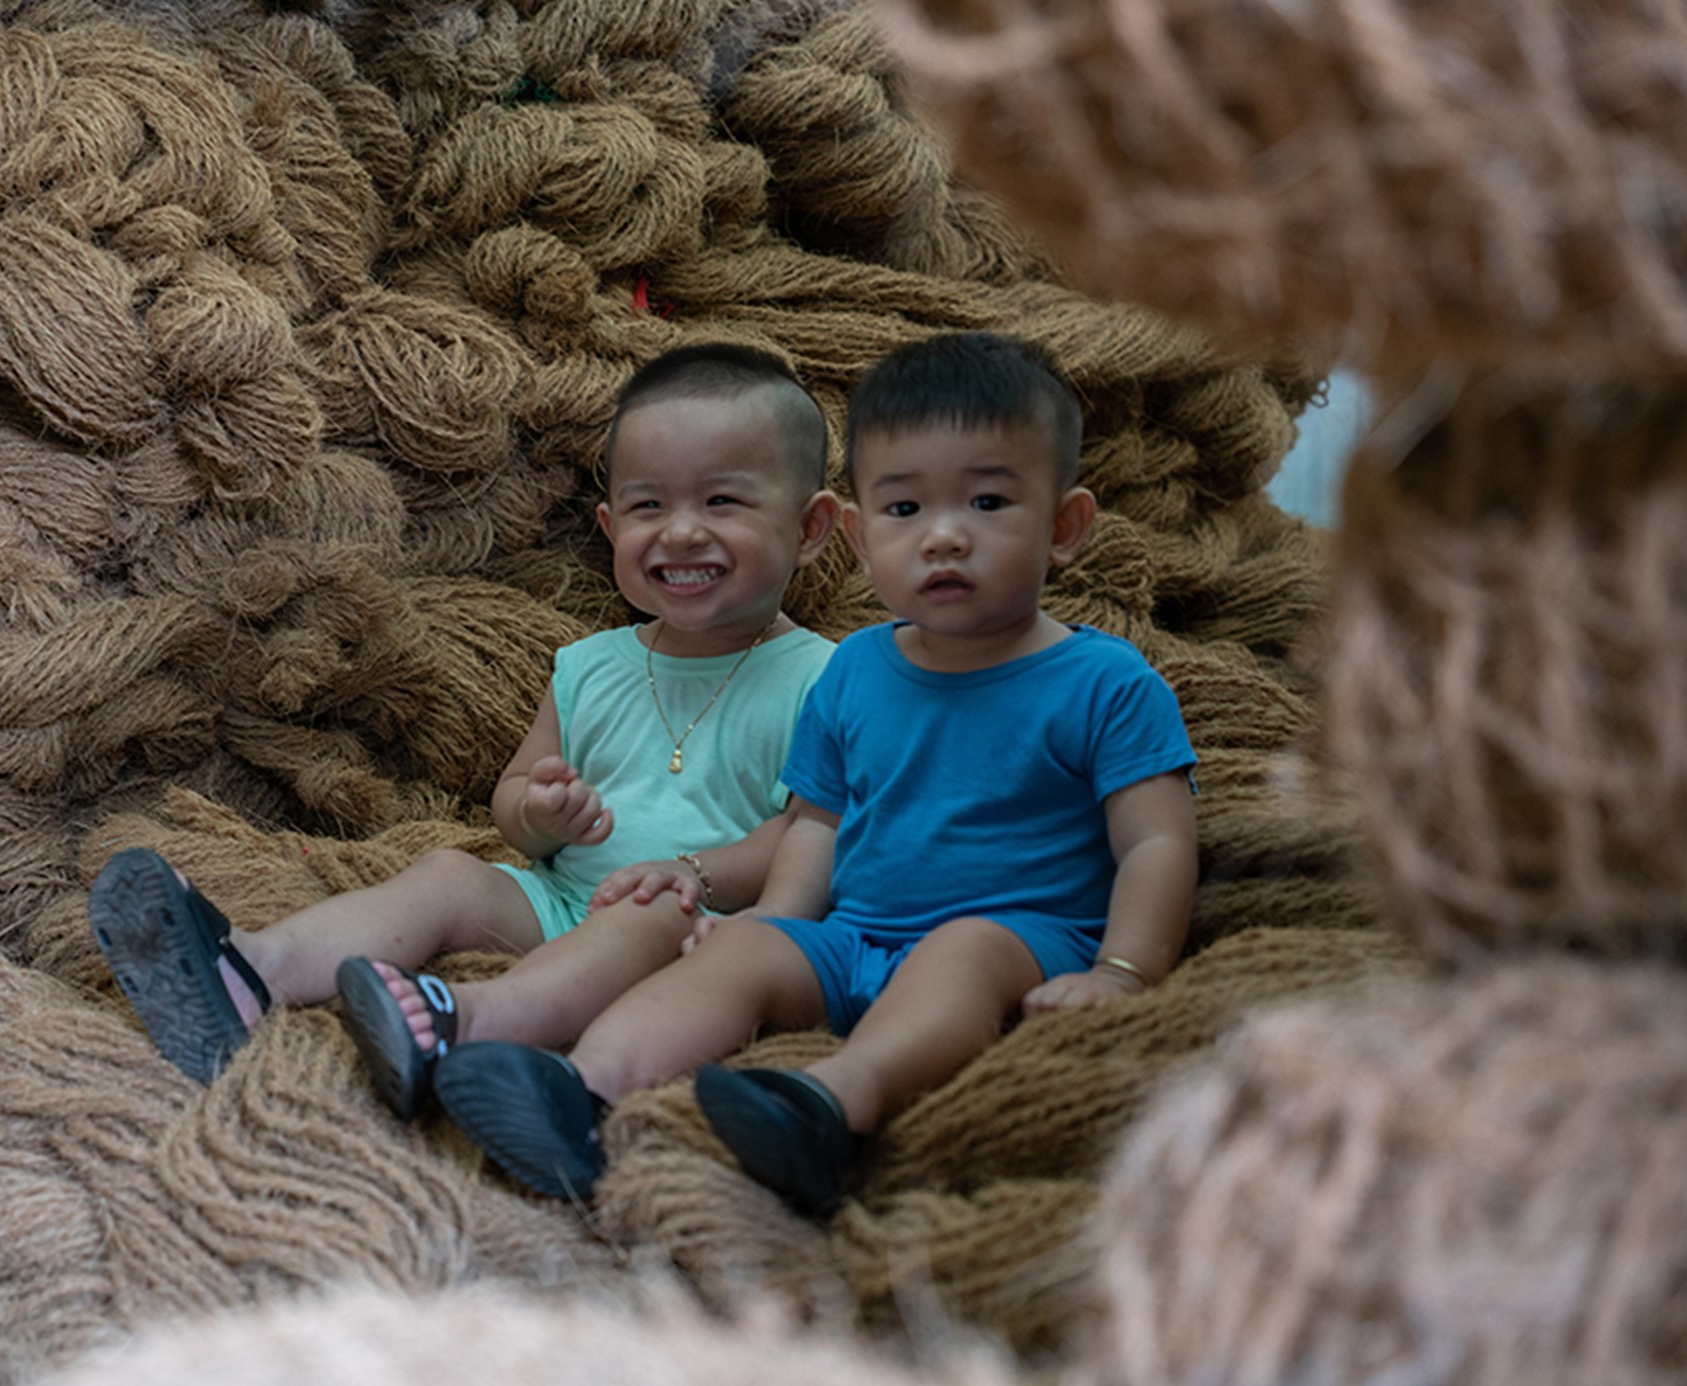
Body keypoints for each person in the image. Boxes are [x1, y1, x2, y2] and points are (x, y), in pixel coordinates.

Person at [431, 332, 1199, 1215]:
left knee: (964, 946)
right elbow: (819, 824)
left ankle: (832, 1102)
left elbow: (1155, 844)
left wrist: (1123, 972)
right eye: (905, 511)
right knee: (742, 948)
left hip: (1020, 937)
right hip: (856, 932)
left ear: (1063, 529)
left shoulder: (1108, 683)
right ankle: (578, 1092)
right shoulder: (855, 672)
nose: (944, 538)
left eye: (988, 501)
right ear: (863, 538)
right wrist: (775, 923)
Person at [87, 343, 843, 1109]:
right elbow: (513, 807)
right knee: (451, 875)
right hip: (561, 902)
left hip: (699, 935)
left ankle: (473, 1028)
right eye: (650, 507)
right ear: (611, 527)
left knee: (648, 913)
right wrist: (542, 812)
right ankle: (252, 970)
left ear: (811, 528)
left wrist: (696, 874)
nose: (679, 533)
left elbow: (811, 831)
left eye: (722, 503)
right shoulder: (592, 665)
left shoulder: (826, 677)